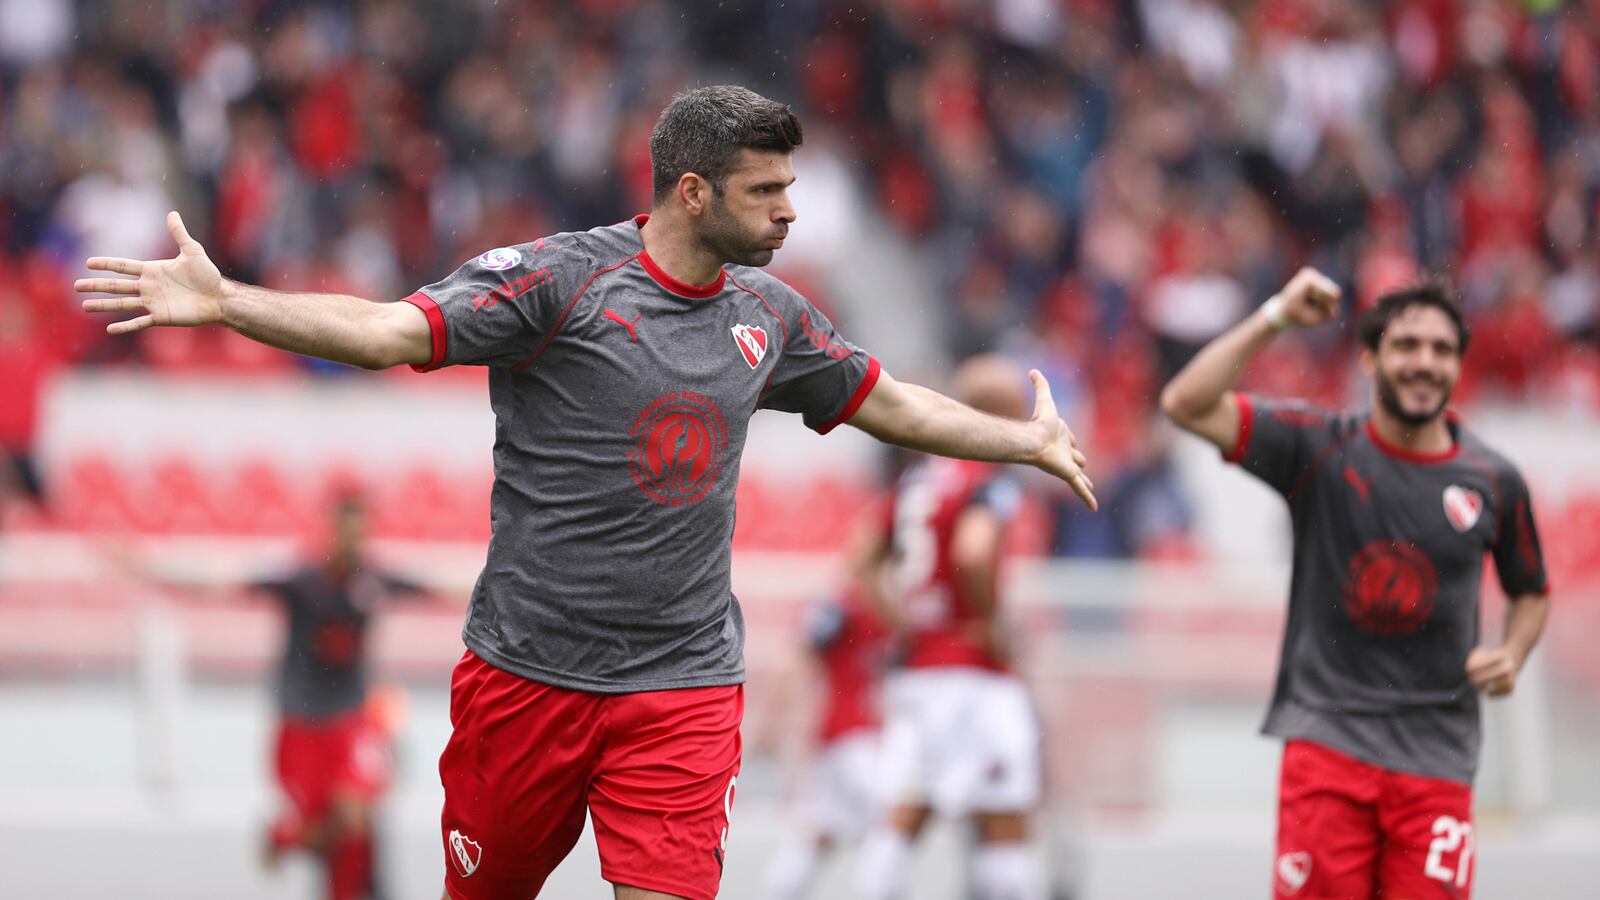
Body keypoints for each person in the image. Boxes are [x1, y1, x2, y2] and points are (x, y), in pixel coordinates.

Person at [74, 85, 1096, 900]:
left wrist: (1019, 440)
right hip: (526, 678)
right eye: (765, 191)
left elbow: (894, 407)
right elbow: (387, 333)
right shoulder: (555, 283)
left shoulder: (773, 316)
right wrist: (225, 305)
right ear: (691, 192)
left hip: (681, 683)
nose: (790, 209)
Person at [1159, 270, 1550, 899]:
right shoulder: (1318, 446)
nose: (1424, 362)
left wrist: (1514, 651)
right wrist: (1276, 316)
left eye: (1441, 350)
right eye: (1406, 346)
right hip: (1328, 752)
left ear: (1458, 366)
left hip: (1437, 764)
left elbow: (1531, 588)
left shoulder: (1494, 481)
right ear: (1369, 359)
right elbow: (1184, 402)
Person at [853, 355, 1049, 900]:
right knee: (1005, 818)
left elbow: (862, 554)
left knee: (904, 815)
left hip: (918, 671)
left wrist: (908, 621)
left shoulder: (919, 479)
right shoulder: (988, 476)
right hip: (972, 674)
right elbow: (973, 549)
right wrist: (987, 623)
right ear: (998, 413)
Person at [255, 493, 425, 900]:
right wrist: (146, 568)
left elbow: (441, 587)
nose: (353, 540)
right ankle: (286, 837)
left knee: (357, 811)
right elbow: (223, 581)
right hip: (301, 722)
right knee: (320, 837)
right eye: (346, 531)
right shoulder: (302, 582)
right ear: (331, 531)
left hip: (350, 719)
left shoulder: (373, 580)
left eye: (360, 531)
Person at [758, 585, 889, 900]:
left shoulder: (885, 608)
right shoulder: (842, 607)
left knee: (820, 828)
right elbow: (799, 657)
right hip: (852, 739)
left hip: (844, 737)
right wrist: (774, 724)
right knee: (890, 823)